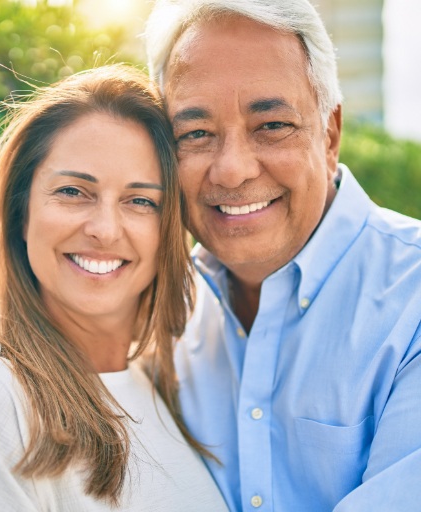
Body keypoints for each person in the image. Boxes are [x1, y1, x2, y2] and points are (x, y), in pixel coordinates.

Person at [0, 64, 229, 512]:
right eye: (73, 191)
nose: (104, 229)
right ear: (22, 213)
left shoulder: (165, 392)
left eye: (140, 200)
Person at [144, 1, 421, 511]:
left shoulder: (414, 302)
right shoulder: (155, 315)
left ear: (330, 133)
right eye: (196, 134)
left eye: (271, 125)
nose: (231, 170)